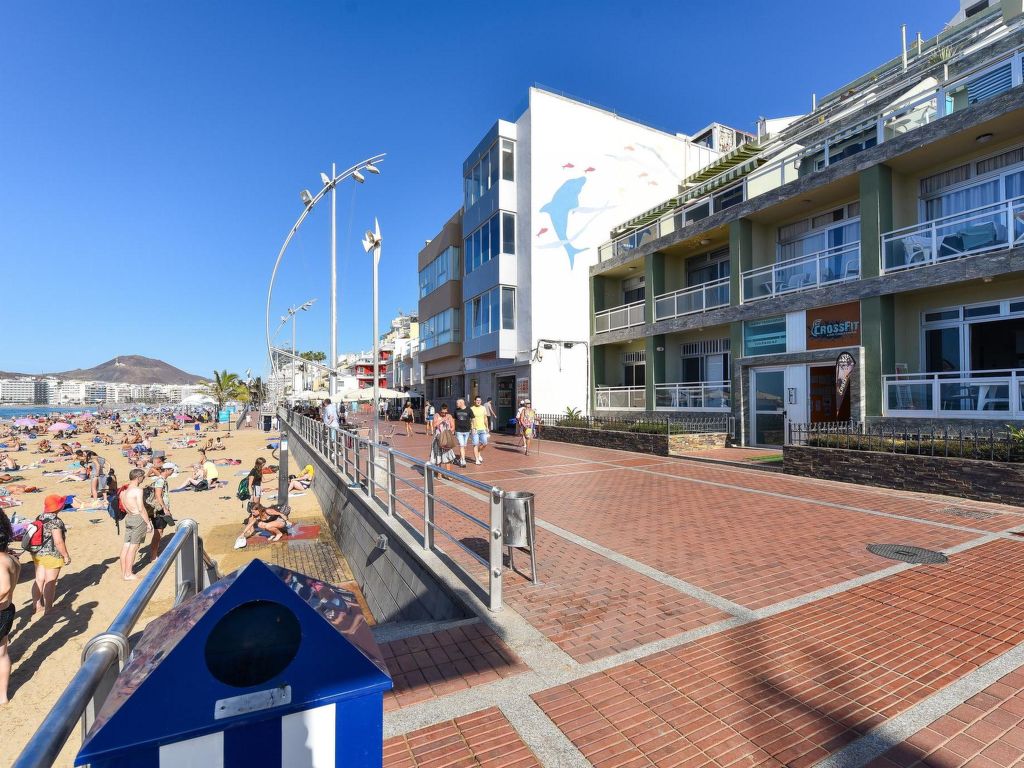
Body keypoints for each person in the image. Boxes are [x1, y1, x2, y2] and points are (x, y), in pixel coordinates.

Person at [30, 495, 71, 613]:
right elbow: (58, 541)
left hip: (37, 553)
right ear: (58, 507)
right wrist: (66, 555)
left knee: (39, 579)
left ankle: (37, 605)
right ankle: (48, 608)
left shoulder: (40, 517)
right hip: (52, 555)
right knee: (50, 581)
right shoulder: (56, 522)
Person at [0, 509, 19, 704]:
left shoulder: (1, 560)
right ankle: (3, 696)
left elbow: (4, 587)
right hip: (7, 609)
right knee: (2, 653)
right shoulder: (12, 559)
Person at [119, 469, 151, 581]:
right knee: (134, 547)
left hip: (129, 518)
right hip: (138, 518)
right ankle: (128, 574)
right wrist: (148, 523)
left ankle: (124, 573)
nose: (143, 479)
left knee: (126, 545)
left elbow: (125, 508)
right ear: (138, 477)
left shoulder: (123, 492)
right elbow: (141, 508)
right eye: (143, 477)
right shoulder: (138, 490)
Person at [145, 465, 174, 560]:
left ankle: (154, 554)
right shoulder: (161, 481)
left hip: (159, 508)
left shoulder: (161, 479)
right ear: (167, 470)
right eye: (172, 470)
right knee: (158, 532)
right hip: (159, 509)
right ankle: (153, 556)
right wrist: (165, 508)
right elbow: (158, 495)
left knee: (159, 531)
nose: (173, 471)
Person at [428, 404, 456, 472]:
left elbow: (453, 427)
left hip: (446, 439)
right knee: (438, 456)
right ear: (440, 411)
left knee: (448, 456)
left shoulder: (449, 416)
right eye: (442, 412)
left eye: (445, 412)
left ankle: (448, 473)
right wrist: (442, 420)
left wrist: (449, 431)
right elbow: (434, 425)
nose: (444, 414)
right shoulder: (436, 415)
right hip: (438, 438)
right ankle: (439, 473)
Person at [452, 398, 472, 468]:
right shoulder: (456, 410)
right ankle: (463, 460)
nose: (456, 404)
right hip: (459, 430)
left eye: (457, 403)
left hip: (467, 430)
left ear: (461, 403)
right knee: (461, 445)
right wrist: (453, 428)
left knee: (464, 446)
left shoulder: (468, 409)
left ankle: (461, 458)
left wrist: (473, 428)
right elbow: (453, 419)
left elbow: (473, 418)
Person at [470, 396, 489, 465]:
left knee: (485, 443)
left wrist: (487, 427)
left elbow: (485, 418)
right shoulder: (471, 408)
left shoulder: (483, 408)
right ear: (474, 401)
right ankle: (477, 459)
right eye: (477, 400)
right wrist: (472, 428)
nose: (478, 401)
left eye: (479, 400)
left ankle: (478, 452)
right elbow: (470, 419)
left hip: (482, 428)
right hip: (475, 429)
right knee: (475, 444)